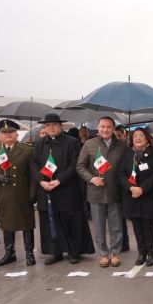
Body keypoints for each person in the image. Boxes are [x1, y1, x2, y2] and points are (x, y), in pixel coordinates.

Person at [31, 113, 94, 265]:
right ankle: (55, 252)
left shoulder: (72, 142)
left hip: (66, 189)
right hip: (46, 189)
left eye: (54, 125)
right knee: (50, 222)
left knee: (70, 221)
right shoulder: (39, 144)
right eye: (47, 125)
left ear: (61, 126)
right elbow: (33, 165)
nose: (50, 128)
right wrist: (41, 181)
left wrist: (60, 180)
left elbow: (75, 165)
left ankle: (74, 252)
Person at [0, 119, 36, 266]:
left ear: (16, 134)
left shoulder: (27, 150)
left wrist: (33, 194)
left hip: (22, 193)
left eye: (10, 132)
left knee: (26, 224)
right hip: (4, 193)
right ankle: (9, 253)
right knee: (7, 224)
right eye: (4, 133)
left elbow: (33, 175)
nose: (7, 135)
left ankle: (29, 253)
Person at [77, 116, 127, 268]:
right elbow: (80, 166)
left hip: (115, 190)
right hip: (95, 191)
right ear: (98, 127)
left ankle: (115, 253)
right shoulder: (89, 144)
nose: (105, 129)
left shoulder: (121, 145)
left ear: (113, 129)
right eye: (102, 126)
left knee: (116, 225)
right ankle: (103, 254)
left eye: (109, 127)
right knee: (99, 226)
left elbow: (125, 168)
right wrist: (92, 179)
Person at [118, 127, 153, 266]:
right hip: (132, 196)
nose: (138, 138)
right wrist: (131, 188)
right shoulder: (127, 154)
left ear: (147, 138)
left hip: (148, 196)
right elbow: (121, 175)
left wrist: (142, 188)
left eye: (141, 136)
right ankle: (141, 253)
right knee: (137, 226)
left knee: (148, 226)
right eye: (135, 136)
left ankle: (151, 254)